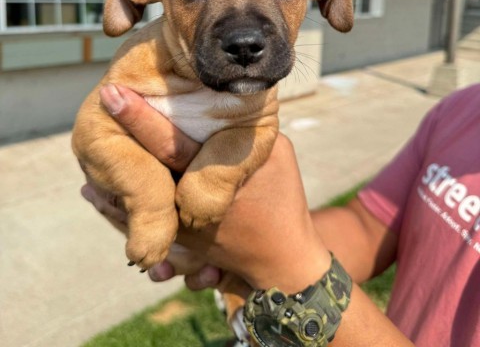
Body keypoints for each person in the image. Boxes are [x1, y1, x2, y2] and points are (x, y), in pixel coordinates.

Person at [82, 83, 480, 346]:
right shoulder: (464, 109)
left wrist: (286, 268)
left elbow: (289, 259)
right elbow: (369, 225)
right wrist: (237, 249)